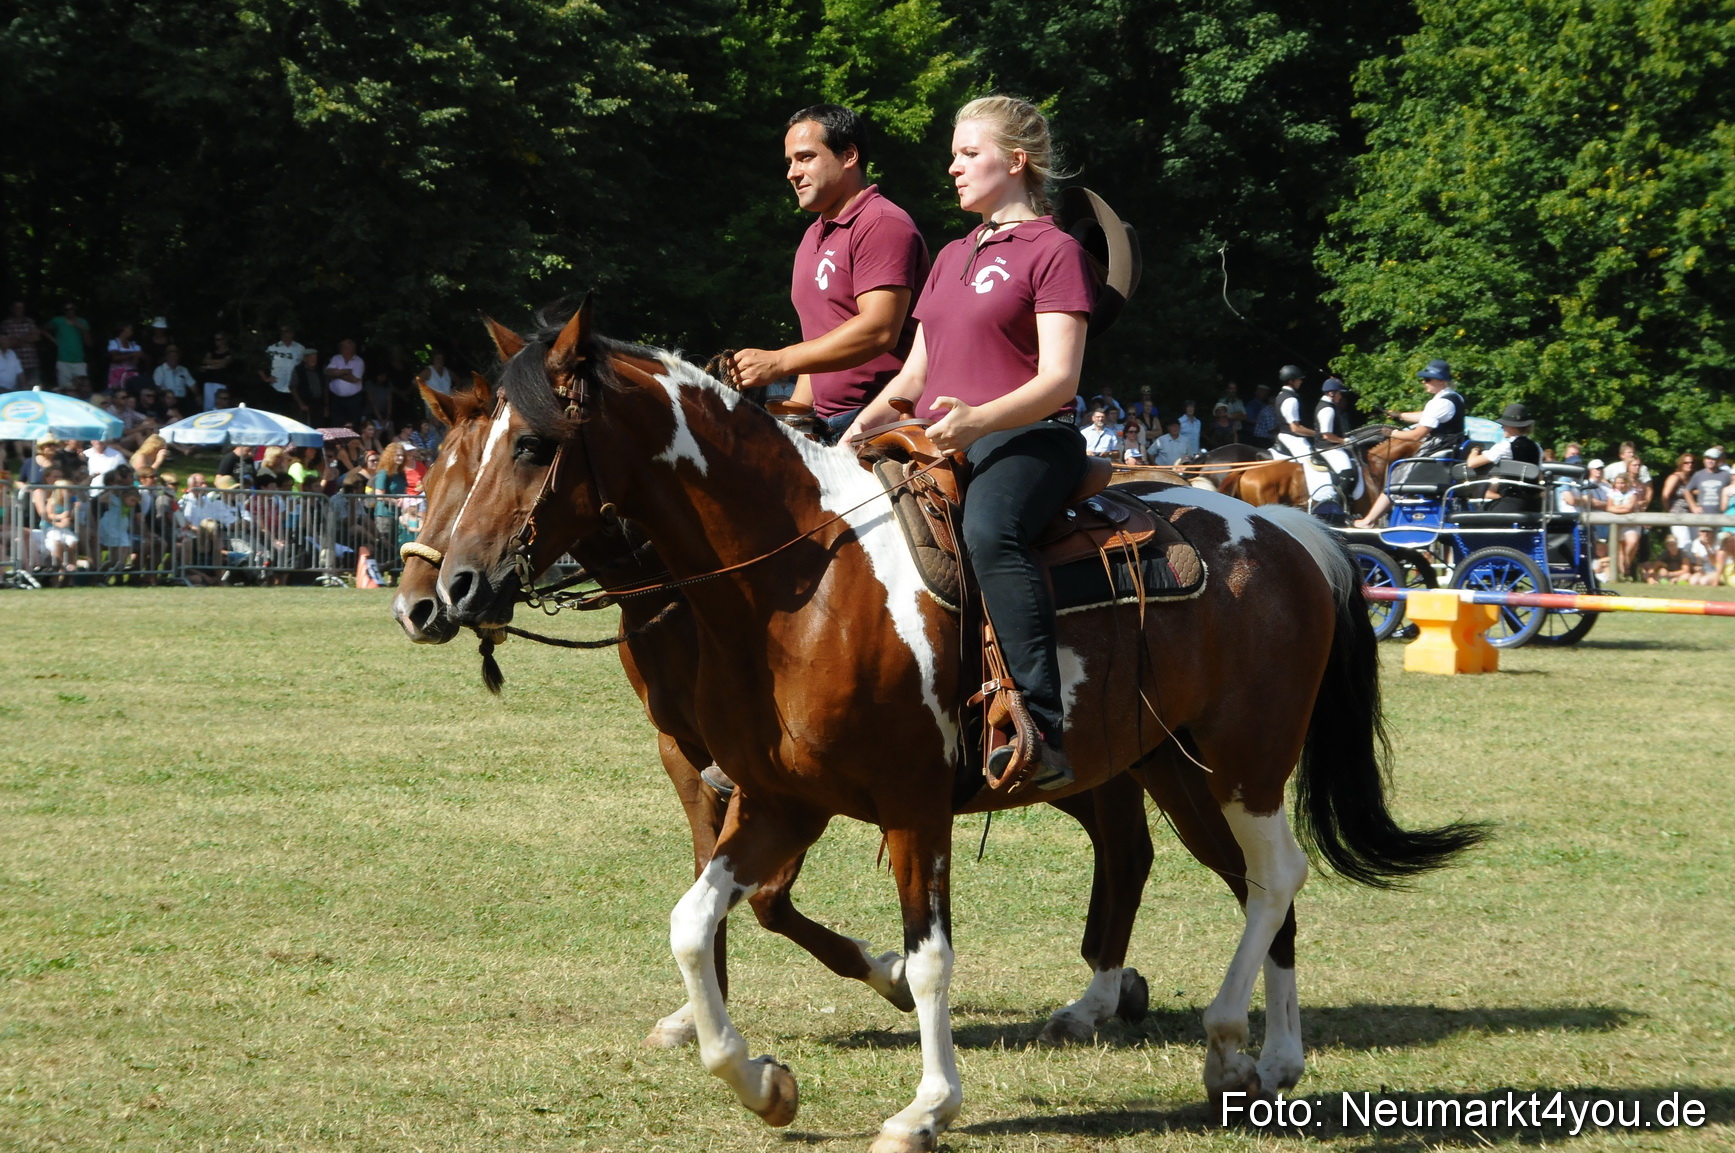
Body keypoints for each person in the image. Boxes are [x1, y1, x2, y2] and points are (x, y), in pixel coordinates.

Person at [850, 95, 1094, 790]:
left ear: (1014, 162)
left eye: (968, 153)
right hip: (935, 441)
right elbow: (914, 376)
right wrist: (852, 435)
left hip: (1027, 442)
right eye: (953, 155)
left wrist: (980, 419)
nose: (952, 168)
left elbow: (1058, 378)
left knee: (990, 534)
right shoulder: (953, 253)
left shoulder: (1055, 250)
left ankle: (1038, 726)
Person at [731, 104, 930, 442]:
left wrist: (780, 362)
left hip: (882, 423)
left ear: (849, 155)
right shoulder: (814, 235)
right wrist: (794, 416)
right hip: (826, 423)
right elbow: (819, 343)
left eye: (805, 158)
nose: (792, 173)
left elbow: (879, 330)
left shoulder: (881, 224)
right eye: (790, 161)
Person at [1352, 359, 1467, 527]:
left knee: (1397, 475)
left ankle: (1368, 520)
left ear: (1441, 381)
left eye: (1428, 379)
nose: (1423, 382)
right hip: (1448, 448)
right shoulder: (1453, 397)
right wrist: (1400, 415)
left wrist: (1393, 433)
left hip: (1437, 448)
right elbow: (1426, 415)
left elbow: (1417, 435)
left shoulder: (1440, 402)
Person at [1464, 402, 1541, 512]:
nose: (1502, 427)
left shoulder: (1505, 446)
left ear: (1513, 427)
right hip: (1534, 503)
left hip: (1513, 502)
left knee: (1472, 518)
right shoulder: (1537, 447)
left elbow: (1471, 463)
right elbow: (1539, 474)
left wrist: (1475, 449)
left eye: (1504, 425)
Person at [46, 301, 91, 390]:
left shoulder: (82, 322)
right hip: (63, 361)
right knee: (65, 389)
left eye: (71, 309)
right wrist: (53, 340)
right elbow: (43, 329)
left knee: (83, 388)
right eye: (66, 309)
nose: (69, 311)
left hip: (79, 362)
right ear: (64, 311)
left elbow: (89, 343)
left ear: (75, 310)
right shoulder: (58, 321)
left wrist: (83, 329)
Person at [259, 326, 306, 409]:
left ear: (292, 334)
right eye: (283, 333)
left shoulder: (300, 348)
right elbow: (260, 363)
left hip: (295, 388)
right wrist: (265, 378)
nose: (286, 335)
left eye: (288, 332)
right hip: (276, 386)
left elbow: (304, 365)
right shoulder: (273, 348)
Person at [1661, 451, 1697, 549]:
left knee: (1695, 544)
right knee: (1684, 544)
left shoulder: (1691, 479)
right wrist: (1669, 511)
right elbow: (1665, 496)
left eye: (1692, 462)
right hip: (1678, 515)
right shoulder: (1675, 477)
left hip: (1691, 515)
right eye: (1686, 462)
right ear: (1681, 464)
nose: (1690, 465)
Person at [2, 302, 43, 388]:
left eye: (21, 308)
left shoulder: (30, 321)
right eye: (17, 308)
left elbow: (36, 337)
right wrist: (28, 337)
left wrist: (18, 339)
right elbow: (8, 343)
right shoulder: (6, 324)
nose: (19, 310)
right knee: (19, 392)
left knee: (35, 390)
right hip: (15, 365)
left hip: (31, 363)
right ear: (12, 309)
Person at [325, 340, 366, 425]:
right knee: (336, 423)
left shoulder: (359, 361)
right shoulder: (336, 358)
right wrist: (346, 371)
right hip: (336, 398)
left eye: (346, 347)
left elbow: (355, 379)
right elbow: (328, 372)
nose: (343, 349)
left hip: (353, 399)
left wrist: (337, 373)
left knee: (353, 423)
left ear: (353, 349)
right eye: (342, 347)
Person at [201, 333, 241, 411]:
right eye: (215, 339)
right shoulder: (211, 351)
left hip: (221, 382)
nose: (217, 341)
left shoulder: (229, 352)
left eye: (219, 339)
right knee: (208, 407)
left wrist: (208, 366)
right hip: (209, 382)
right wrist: (217, 363)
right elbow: (205, 360)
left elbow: (223, 364)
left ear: (224, 340)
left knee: (222, 404)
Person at [152, 345, 196, 410]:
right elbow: (156, 387)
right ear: (166, 357)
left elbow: (192, 385)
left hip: (182, 401)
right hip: (167, 401)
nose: (173, 358)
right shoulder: (159, 370)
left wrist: (198, 396)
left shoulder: (183, 370)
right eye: (171, 355)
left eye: (175, 355)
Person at [106, 322, 144, 392]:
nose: (131, 330)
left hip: (131, 373)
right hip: (117, 374)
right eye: (129, 328)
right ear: (123, 329)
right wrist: (132, 354)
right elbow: (115, 358)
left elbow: (136, 361)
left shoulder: (134, 344)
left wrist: (135, 356)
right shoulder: (114, 342)